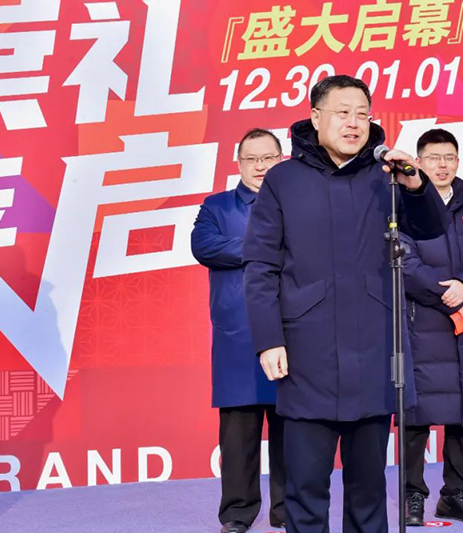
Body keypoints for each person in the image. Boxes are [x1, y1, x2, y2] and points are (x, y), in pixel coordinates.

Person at [242, 75, 447, 533]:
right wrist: (269, 339)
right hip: (306, 355)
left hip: (374, 350)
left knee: (369, 490)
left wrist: (415, 184)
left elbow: (432, 227)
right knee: (305, 489)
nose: (354, 123)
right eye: (342, 113)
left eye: (362, 114)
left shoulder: (386, 177)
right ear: (316, 118)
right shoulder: (282, 180)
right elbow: (260, 266)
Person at [400, 129, 463, 526]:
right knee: (417, 415)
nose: (441, 165)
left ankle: (455, 494)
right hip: (422, 322)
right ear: (419, 163)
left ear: (458, 161)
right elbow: (405, 262)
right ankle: (412, 495)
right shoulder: (403, 205)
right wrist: (446, 293)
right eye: (433, 158)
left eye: (448, 157)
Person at [191, 129, 287, 533]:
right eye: (252, 159)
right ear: (239, 163)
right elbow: (204, 246)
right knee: (238, 434)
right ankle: (237, 512)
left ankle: (288, 509)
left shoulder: (296, 204)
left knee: (292, 429)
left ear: (281, 160)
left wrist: (246, 249)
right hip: (238, 336)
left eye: (268, 158)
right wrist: (265, 249)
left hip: (291, 331)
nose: (260, 166)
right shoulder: (217, 206)